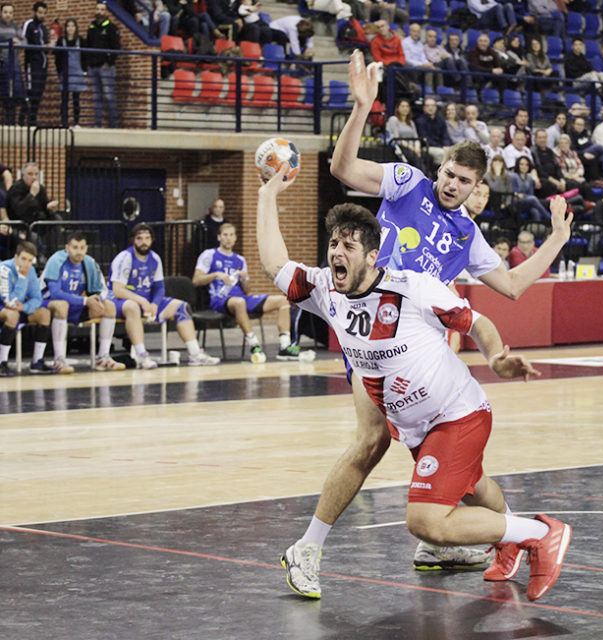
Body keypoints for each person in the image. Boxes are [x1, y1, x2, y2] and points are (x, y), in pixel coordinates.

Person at [314, 50, 572, 577]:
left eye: (465, 182)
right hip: (372, 328)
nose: (454, 185)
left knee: (384, 442)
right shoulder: (407, 183)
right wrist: (362, 107)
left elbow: (515, 286)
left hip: (416, 350)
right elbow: (342, 168)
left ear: (478, 189)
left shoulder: (469, 235)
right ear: (440, 168)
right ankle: (500, 538)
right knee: (457, 472)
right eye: (450, 174)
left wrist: (558, 239)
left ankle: (500, 537)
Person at [262, 195, 571, 601]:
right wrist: (267, 194)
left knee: (426, 522)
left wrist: (496, 359)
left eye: (348, 246)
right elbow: (274, 264)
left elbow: (476, 322)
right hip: (415, 427)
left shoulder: (413, 288)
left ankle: (540, 533)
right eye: (333, 244)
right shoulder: (324, 289)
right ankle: (508, 536)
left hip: (457, 415)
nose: (337, 253)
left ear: (372, 256)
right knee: (474, 486)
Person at [107, 223, 221, 368]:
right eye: (140, 238)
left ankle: (195, 354)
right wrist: (141, 300)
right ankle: (142, 356)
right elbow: (118, 290)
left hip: (146, 301)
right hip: (121, 301)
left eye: (147, 238)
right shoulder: (124, 258)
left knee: (182, 307)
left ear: (152, 240)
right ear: (133, 240)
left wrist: (154, 303)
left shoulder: (155, 259)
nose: (144, 242)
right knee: (133, 307)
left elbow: (159, 287)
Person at [193, 222, 300, 361]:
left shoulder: (240, 260)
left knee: (283, 300)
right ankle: (254, 345)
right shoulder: (209, 255)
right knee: (239, 302)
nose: (228, 238)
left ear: (235, 238)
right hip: (219, 299)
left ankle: (284, 347)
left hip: (241, 297)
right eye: (225, 235)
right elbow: (196, 280)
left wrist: (244, 279)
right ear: (219, 237)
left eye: (231, 235)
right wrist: (216, 275)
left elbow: (247, 290)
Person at [41, 232, 125, 372]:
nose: (78, 252)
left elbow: (102, 290)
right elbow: (55, 294)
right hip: (49, 305)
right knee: (62, 305)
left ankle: (103, 357)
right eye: (75, 247)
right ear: (67, 248)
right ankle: (59, 360)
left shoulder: (90, 263)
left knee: (109, 306)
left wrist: (97, 301)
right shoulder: (56, 261)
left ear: (86, 248)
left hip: (76, 304)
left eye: (82, 247)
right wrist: (86, 301)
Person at [0, 241, 54, 375]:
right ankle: (2, 362)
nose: (26, 264)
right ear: (15, 257)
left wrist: (25, 306)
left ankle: (37, 361)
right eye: (23, 259)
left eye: (30, 260)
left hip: (18, 307)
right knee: (12, 315)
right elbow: (9, 300)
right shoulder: (3, 269)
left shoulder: (31, 271)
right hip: (3, 306)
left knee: (44, 313)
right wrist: (22, 278)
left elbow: (37, 298)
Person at [84, 0, 121, 129]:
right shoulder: (91, 27)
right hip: (93, 67)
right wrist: (87, 64)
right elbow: (87, 46)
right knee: (96, 98)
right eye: (98, 9)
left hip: (106, 68)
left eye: (102, 10)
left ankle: (113, 124)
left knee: (109, 96)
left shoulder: (111, 28)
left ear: (106, 12)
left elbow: (116, 48)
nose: (99, 12)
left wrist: (109, 62)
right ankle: (97, 124)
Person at [22, 1, 48, 127]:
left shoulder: (43, 27)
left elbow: (46, 45)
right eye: (40, 12)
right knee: (31, 91)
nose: (42, 15)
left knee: (39, 92)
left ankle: (33, 120)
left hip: (43, 65)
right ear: (35, 12)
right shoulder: (29, 25)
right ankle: (24, 118)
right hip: (32, 64)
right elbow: (23, 41)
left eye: (44, 13)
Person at [55, 18, 85, 126]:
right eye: (68, 26)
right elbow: (57, 58)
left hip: (77, 72)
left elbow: (84, 57)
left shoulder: (80, 41)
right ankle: (64, 122)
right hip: (65, 73)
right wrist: (59, 72)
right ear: (65, 28)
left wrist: (84, 70)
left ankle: (76, 122)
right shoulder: (61, 41)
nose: (70, 28)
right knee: (64, 99)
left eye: (73, 26)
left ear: (76, 28)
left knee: (76, 99)